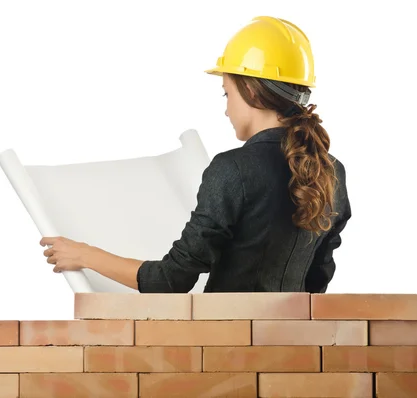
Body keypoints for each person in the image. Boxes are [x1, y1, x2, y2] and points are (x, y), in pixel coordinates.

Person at [40, 16, 351, 293]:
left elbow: (171, 280)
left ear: (252, 92)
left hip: (227, 350)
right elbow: (315, 286)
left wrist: (85, 255)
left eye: (227, 93)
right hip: (295, 350)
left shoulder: (234, 169)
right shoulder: (332, 172)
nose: (226, 108)